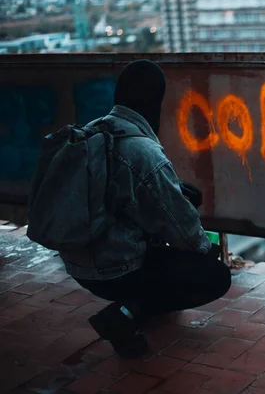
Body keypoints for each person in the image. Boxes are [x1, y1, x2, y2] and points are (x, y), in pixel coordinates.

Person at [63, 60, 231, 358]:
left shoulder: (89, 132)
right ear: (155, 102)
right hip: (115, 270)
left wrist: (174, 189)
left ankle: (135, 306)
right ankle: (126, 313)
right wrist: (206, 250)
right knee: (214, 276)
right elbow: (183, 230)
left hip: (79, 266)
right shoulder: (141, 150)